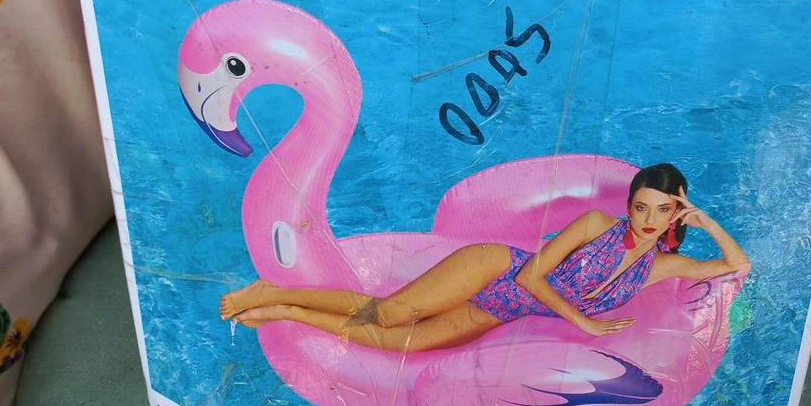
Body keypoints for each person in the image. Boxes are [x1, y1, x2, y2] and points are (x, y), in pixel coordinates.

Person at [219, 163, 749, 354]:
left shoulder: (658, 266)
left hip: (499, 310)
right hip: (494, 269)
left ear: (676, 212)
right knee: (389, 312)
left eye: (663, 209)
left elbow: (736, 264)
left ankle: (286, 311)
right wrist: (581, 321)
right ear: (629, 205)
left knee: (397, 344)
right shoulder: (596, 226)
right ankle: (275, 291)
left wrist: (705, 221)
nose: (648, 218)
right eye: (641, 206)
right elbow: (533, 274)